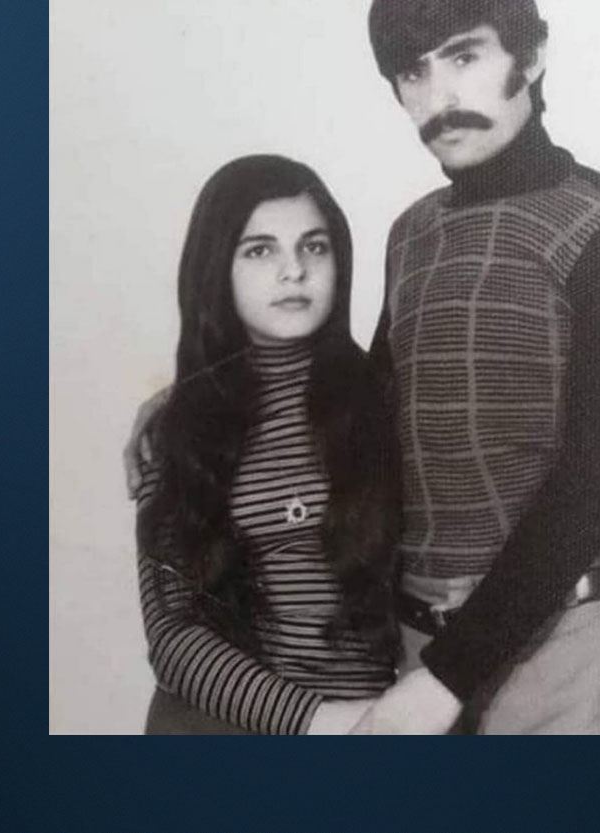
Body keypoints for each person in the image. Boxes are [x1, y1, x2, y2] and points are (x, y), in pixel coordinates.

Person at [353, 0, 600, 734]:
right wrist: (194, 399)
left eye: (464, 55)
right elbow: (367, 421)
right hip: (418, 646)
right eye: (413, 71)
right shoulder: (411, 233)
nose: (440, 98)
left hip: (565, 656)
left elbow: (596, 477)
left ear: (530, 56)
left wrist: (442, 683)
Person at [132, 154, 401, 734]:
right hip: (222, 731)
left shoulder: (389, 404)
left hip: (383, 728)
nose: (294, 271)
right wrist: (322, 723)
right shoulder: (178, 430)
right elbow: (173, 636)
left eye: (314, 247)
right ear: (217, 269)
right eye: (260, 250)